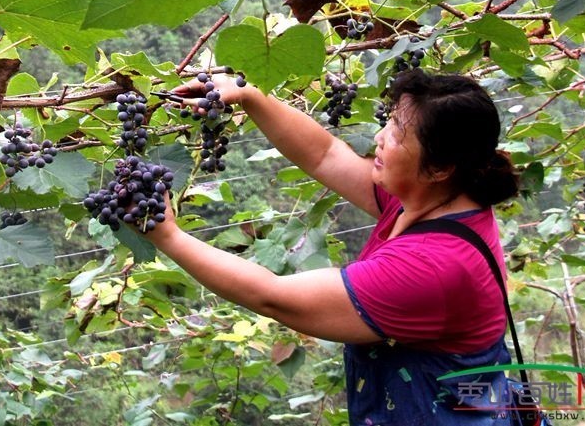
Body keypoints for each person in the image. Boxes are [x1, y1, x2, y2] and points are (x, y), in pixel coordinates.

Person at [142, 68, 519, 425]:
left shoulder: (431, 267)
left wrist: (169, 236)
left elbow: (273, 296)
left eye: (398, 134)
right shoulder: (435, 198)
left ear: (440, 168)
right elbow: (326, 155)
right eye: (389, 121)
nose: (380, 138)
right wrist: (249, 96)